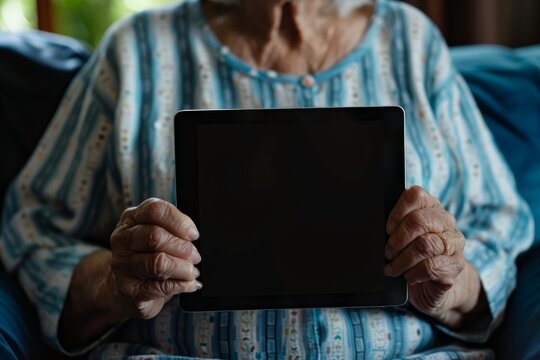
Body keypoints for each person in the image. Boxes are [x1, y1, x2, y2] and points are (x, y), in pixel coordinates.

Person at [0, 0, 533, 358]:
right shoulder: (136, 51)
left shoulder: (411, 42)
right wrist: (114, 283)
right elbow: (31, 228)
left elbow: (501, 222)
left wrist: (449, 281)